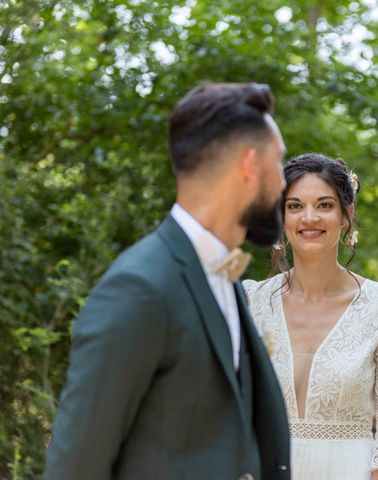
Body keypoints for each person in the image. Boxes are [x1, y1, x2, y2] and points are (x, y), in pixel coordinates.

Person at [45, 83, 291, 480]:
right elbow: (76, 466)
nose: (283, 183)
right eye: (278, 164)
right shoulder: (139, 289)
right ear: (248, 165)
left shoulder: (226, 279)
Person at [243, 153, 378, 480]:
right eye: (295, 206)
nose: (309, 217)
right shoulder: (253, 301)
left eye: (324, 205)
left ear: (346, 216)